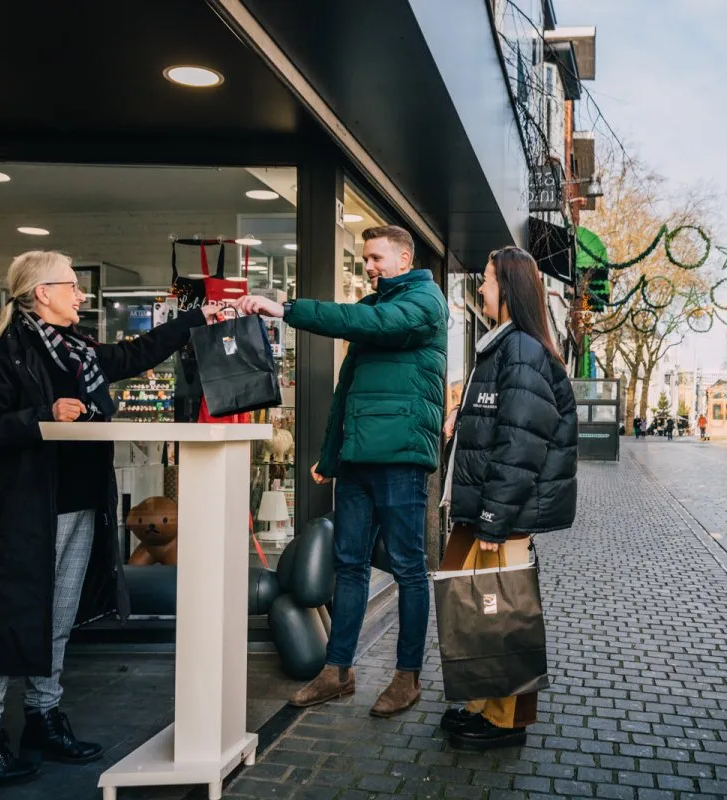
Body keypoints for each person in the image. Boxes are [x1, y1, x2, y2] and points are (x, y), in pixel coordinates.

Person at [0, 251, 222, 787]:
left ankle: (43, 720)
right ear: (41, 292)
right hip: (28, 512)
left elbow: (134, 354)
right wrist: (42, 416)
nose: (81, 295)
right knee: (10, 620)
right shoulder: (1, 355)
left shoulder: (78, 350)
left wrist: (194, 320)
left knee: (57, 619)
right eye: (71, 286)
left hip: (79, 506)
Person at [233, 225, 447, 718]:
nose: (368, 266)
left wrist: (285, 308)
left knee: (410, 569)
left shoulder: (425, 301)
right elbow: (346, 394)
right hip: (359, 462)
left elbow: (363, 324)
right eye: (366, 258)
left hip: (401, 460)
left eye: (376, 257)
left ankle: (407, 675)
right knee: (348, 565)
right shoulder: (376, 307)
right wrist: (331, 458)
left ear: (403, 257)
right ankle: (338, 671)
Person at [439, 246, 577, 751]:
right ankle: (483, 706)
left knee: (501, 618)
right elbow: (503, 429)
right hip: (484, 514)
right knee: (477, 615)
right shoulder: (505, 347)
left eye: (489, 280)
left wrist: (494, 522)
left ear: (509, 288)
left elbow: (520, 446)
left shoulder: (520, 351)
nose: (481, 288)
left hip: (499, 519)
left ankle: (505, 723)